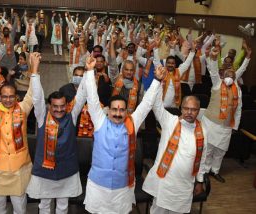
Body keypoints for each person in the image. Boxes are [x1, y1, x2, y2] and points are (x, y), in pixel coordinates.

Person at [83, 55, 164, 214]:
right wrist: (90, 71)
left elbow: (146, 104)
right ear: (108, 111)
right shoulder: (100, 121)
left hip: (122, 187)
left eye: (122, 110)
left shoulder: (132, 123)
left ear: (126, 111)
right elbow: (92, 98)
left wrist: (156, 81)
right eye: (114, 109)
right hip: (98, 185)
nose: (118, 113)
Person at [26, 55, 87, 214]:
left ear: (67, 105)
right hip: (44, 171)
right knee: (44, 206)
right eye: (55, 106)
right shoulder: (41, 117)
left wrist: (89, 73)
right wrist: (35, 70)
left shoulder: (71, 117)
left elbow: (81, 97)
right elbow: (37, 96)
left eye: (62, 106)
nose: (59, 110)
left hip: (66, 170)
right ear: (49, 106)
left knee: (62, 206)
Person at [0, 52, 41, 214]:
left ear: (16, 97)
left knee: (20, 208)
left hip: (19, 168)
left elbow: (32, 93)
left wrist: (34, 68)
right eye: (4, 97)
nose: (8, 100)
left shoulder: (23, 108)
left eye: (11, 97)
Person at [142, 76, 208, 213]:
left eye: (194, 109)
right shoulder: (169, 121)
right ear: (181, 108)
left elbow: (202, 159)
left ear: (198, 111)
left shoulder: (202, 132)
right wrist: (159, 82)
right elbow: (157, 106)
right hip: (164, 183)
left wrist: (200, 181)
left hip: (184, 186)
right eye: (186, 108)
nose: (189, 112)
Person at [201, 46, 251, 183]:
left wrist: (235, 127)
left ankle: (215, 170)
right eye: (227, 75)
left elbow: (238, 109)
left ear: (235, 78)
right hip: (211, 123)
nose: (230, 78)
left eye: (232, 76)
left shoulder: (238, 91)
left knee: (221, 151)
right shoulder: (217, 83)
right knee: (209, 149)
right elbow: (212, 71)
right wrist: (213, 57)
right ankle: (204, 171)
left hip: (226, 125)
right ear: (223, 76)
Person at [153, 41, 196, 108]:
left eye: (172, 63)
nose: (170, 65)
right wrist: (155, 47)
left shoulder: (178, 71)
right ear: (165, 63)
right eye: (169, 63)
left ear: (175, 65)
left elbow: (187, 63)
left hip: (174, 106)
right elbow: (156, 61)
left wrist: (193, 51)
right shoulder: (162, 71)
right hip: (160, 105)